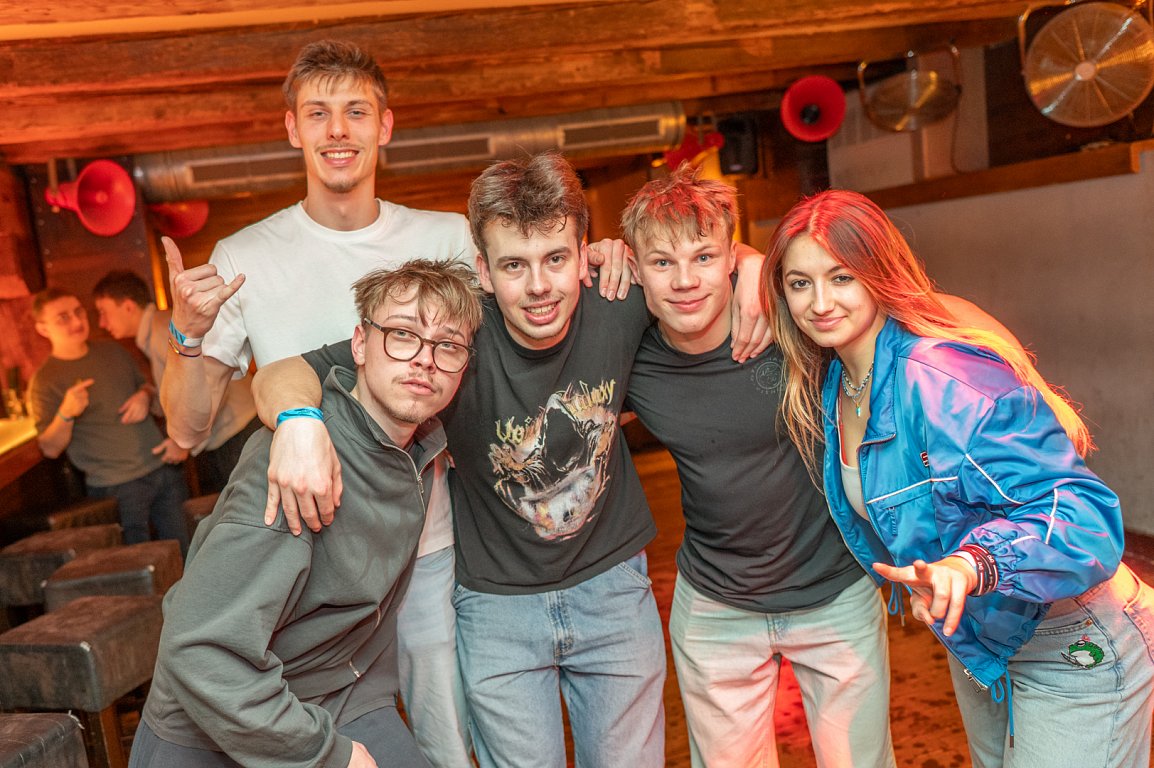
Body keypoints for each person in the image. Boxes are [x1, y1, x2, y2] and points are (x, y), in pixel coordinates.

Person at [251, 152, 770, 767]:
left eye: (556, 259)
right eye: (514, 265)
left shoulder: (618, 298)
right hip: (497, 607)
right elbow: (280, 373)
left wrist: (752, 265)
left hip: (614, 590)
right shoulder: (451, 336)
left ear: (584, 254)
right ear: (483, 271)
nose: (539, 286)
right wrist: (299, 421)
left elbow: (700, 262)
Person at [158, 39, 478, 766]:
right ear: (292, 128)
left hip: (423, 550)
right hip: (299, 569)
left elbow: (533, 292)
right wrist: (187, 335)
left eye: (356, 111)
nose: (338, 130)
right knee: (298, 736)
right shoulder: (244, 256)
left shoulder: (446, 237)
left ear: (385, 126)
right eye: (318, 112)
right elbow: (187, 426)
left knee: (444, 745)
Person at [763, 188, 1154, 768]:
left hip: (1073, 638)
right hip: (982, 639)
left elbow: (1085, 517)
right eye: (800, 283)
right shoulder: (838, 382)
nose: (820, 302)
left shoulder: (942, 379)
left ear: (879, 275)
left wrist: (972, 565)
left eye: (841, 277)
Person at [129, 260, 483, 768]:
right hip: (216, 724)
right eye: (403, 335)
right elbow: (201, 652)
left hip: (337, 695)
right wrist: (328, 754)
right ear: (359, 344)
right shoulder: (297, 464)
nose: (425, 360)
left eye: (447, 345)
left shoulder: (418, 450)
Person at [620, 166, 896, 768]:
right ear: (636, 269)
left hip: (834, 594)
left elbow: (912, 318)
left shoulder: (793, 325)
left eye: (704, 257)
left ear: (730, 257)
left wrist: (758, 267)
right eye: (663, 263)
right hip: (716, 608)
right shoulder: (631, 360)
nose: (685, 280)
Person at [27, 288, 189, 554]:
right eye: (63, 318)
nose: (76, 321)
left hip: (163, 468)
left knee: (188, 552)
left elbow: (148, 386)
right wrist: (66, 412)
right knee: (138, 564)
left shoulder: (112, 350)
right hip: (116, 485)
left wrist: (144, 395)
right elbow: (50, 448)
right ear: (43, 329)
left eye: (78, 312)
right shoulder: (44, 380)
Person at [93, 269, 260, 494]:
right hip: (236, 431)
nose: (102, 323)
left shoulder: (164, 331)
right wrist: (148, 394)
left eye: (103, 312)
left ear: (128, 306)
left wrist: (183, 443)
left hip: (237, 434)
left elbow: (209, 382)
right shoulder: (160, 327)